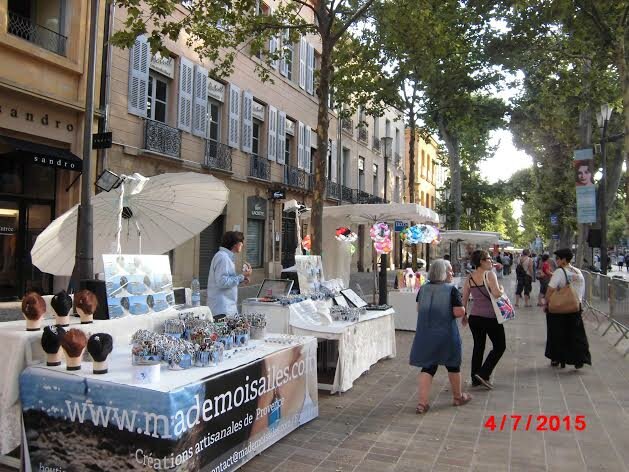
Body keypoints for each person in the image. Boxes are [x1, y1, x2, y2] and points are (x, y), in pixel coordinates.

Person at [410, 259, 472, 413]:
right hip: (446, 334)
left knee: (428, 367)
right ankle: (458, 397)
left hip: (426, 334)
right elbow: (459, 312)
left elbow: (419, 308)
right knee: (453, 365)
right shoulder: (451, 290)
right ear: (442, 272)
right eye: (450, 270)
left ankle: (422, 403)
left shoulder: (423, 289)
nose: (452, 273)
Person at [461, 250, 507, 390]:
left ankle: (475, 379)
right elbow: (496, 293)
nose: (491, 260)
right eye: (488, 258)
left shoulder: (470, 278)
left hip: (475, 318)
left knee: (478, 347)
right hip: (491, 317)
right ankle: (483, 373)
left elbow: (464, 299)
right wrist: (502, 288)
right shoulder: (489, 274)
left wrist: (464, 315)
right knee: (500, 346)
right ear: (481, 261)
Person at [544, 248, 591, 369]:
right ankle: (579, 358)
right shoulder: (578, 272)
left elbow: (550, 289)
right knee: (576, 335)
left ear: (564, 259)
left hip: (559, 309)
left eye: (558, 258)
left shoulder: (560, 272)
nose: (556, 261)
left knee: (556, 333)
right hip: (575, 307)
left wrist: (546, 303)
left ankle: (557, 357)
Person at [206, 231, 252, 319]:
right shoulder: (223, 257)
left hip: (225, 308)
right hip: (222, 309)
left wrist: (242, 279)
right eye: (241, 242)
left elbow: (226, 279)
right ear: (236, 244)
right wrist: (242, 276)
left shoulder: (224, 256)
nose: (242, 245)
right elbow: (222, 282)